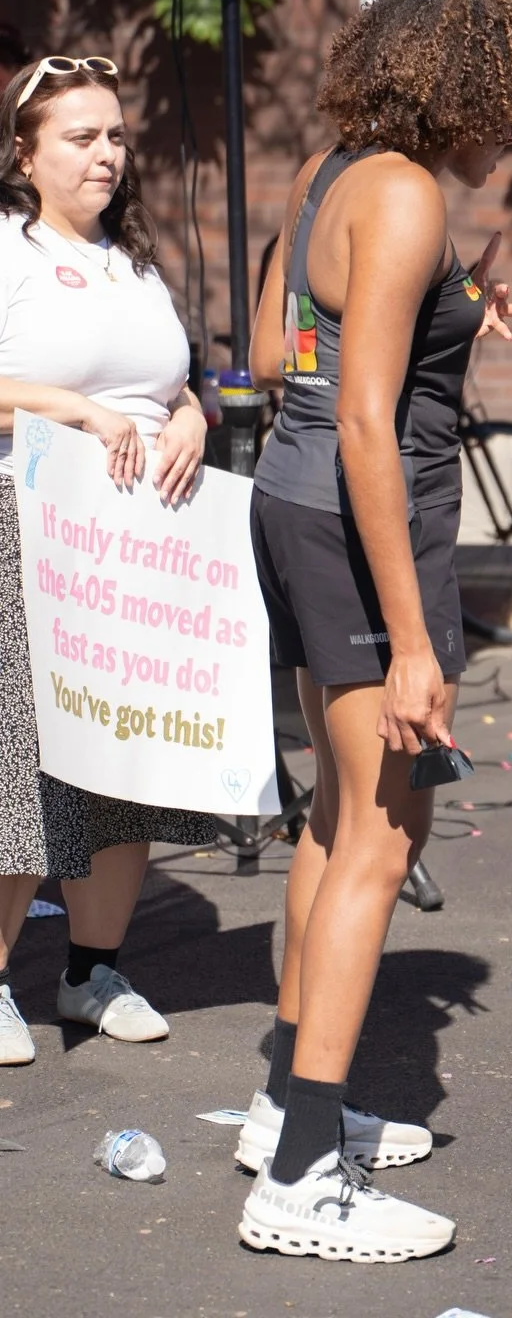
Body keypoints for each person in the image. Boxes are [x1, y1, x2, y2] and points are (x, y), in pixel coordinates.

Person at [238, 0, 512, 1262]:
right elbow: (369, 417)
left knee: (335, 817)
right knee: (382, 830)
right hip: (365, 523)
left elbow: (279, 356)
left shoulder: (332, 173)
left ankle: (286, 1107)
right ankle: (303, 1177)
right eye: (509, 111)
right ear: (460, 94)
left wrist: (452, 308)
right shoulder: (409, 194)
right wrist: (415, 640)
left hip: (296, 500)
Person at [0, 54, 212, 1068]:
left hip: (134, 544)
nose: (106, 155)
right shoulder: (9, 249)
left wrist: (191, 414)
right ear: (23, 155)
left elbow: (164, 380)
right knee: (19, 766)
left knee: (120, 762)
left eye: (116, 135)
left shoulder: (134, 260)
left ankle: (91, 972)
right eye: (80, 137)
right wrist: (72, 409)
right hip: (28, 529)